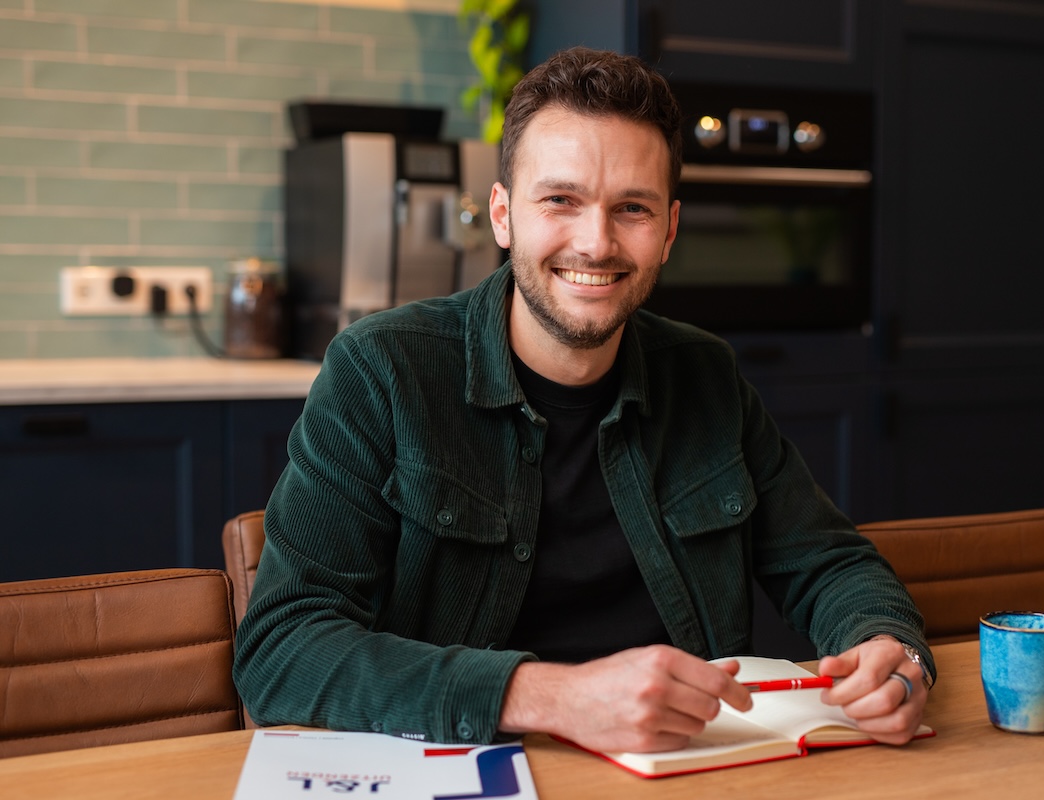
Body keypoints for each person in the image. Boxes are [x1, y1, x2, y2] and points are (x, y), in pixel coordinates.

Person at [233, 46, 934, 755]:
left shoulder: (705, 374)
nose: (595, 243)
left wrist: (889, 648)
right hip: (473, 767)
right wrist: (555, 697)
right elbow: (282, 651)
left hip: (687, 769)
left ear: (669, 231)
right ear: (503, 215)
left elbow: (829, 562)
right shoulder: (382, 370)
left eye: (632, 208)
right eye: (561, 201)